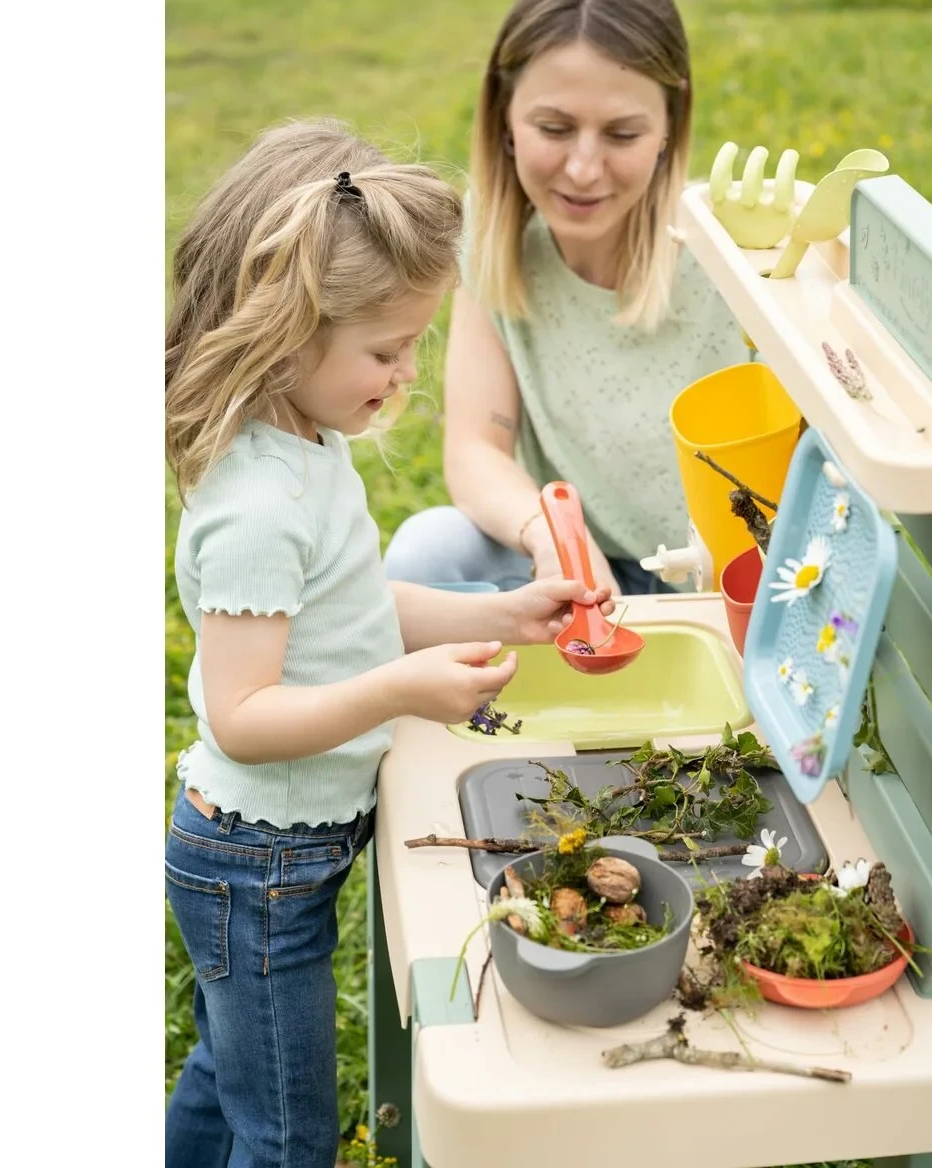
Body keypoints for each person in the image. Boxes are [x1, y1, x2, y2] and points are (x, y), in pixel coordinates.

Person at [163, 118, 611, 1168]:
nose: (407, 372)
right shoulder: (259, 506)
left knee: (228, 1077)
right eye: (385, 350)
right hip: (258, 865)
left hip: (280, 857)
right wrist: (401, 690)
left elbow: (355, 607)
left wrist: (501, 613)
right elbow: (243, 717)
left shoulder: (305, 440)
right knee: (288, 1135)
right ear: (286, 331)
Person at [382, 0, 747, 596]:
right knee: (429, 553)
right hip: (580, 571)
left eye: (622, 134)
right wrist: (558, 541)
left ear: (671, 122)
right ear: (504, 115)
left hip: (731, 580)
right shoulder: (494, 239)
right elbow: (476, 449)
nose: (583, 168)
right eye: (553, 129)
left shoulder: (732, 249)